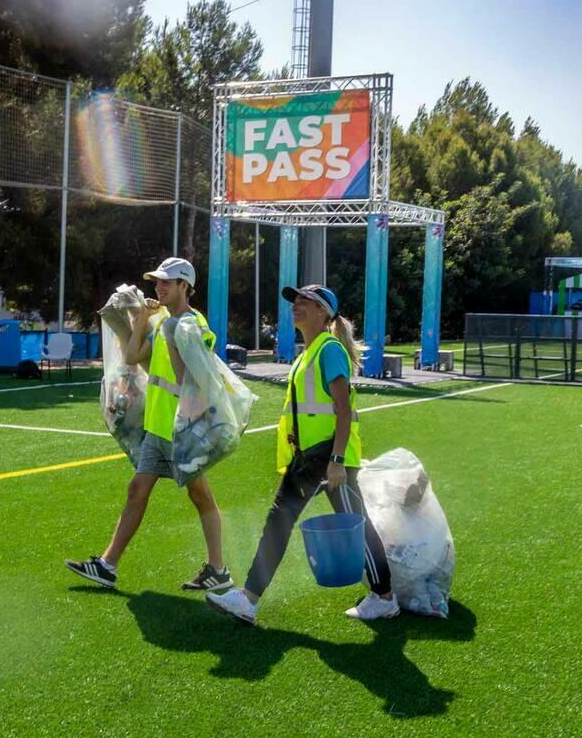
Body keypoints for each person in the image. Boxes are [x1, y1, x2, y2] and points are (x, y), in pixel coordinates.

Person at [206, 284, 397, 625]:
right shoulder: (306, 354)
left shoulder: (329, 350)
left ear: (324, 312)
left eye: (305, 301)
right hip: (307, 455)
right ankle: (248, 599)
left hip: (328, 454)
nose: (296, 305)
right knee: (279, 522)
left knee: (358, 525)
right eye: (295, 301)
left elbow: (343, 410)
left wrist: (337, 461)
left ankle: (384, 597)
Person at [66, 257, 232, 592]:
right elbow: (131, 357)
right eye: (157, 281)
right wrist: (142, 318)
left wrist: (167, 332)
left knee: (201, 497)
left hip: (183, 427)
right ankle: (107, 565)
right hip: (159, 426)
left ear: (185, 286)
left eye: (167, 282)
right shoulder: (163, 323)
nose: (159, 287)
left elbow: (195, 376)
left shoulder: (192, 324)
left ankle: (218, 569)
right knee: (137, 490)